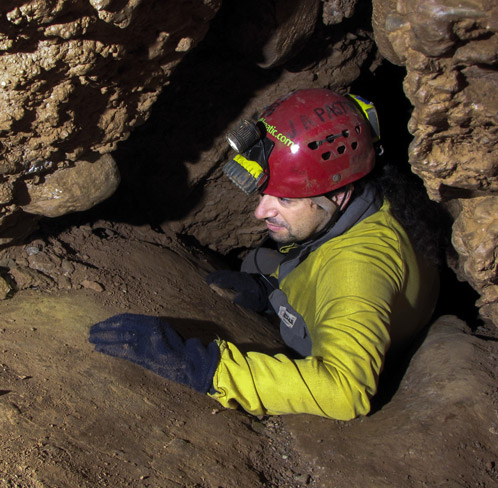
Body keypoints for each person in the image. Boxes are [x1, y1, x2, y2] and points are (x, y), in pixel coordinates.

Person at [89, 88, 440, 420]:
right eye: (266, 193)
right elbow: (317, 260)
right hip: (343, 282)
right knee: (258, 261)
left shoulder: (356, 270)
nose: (261, 211)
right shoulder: (367, 202)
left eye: (285, 199)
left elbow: (346, 391)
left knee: (268, 267)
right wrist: (266, 289)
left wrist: (203, 367)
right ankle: (269, 286)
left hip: (343, 326)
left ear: (338, 194)